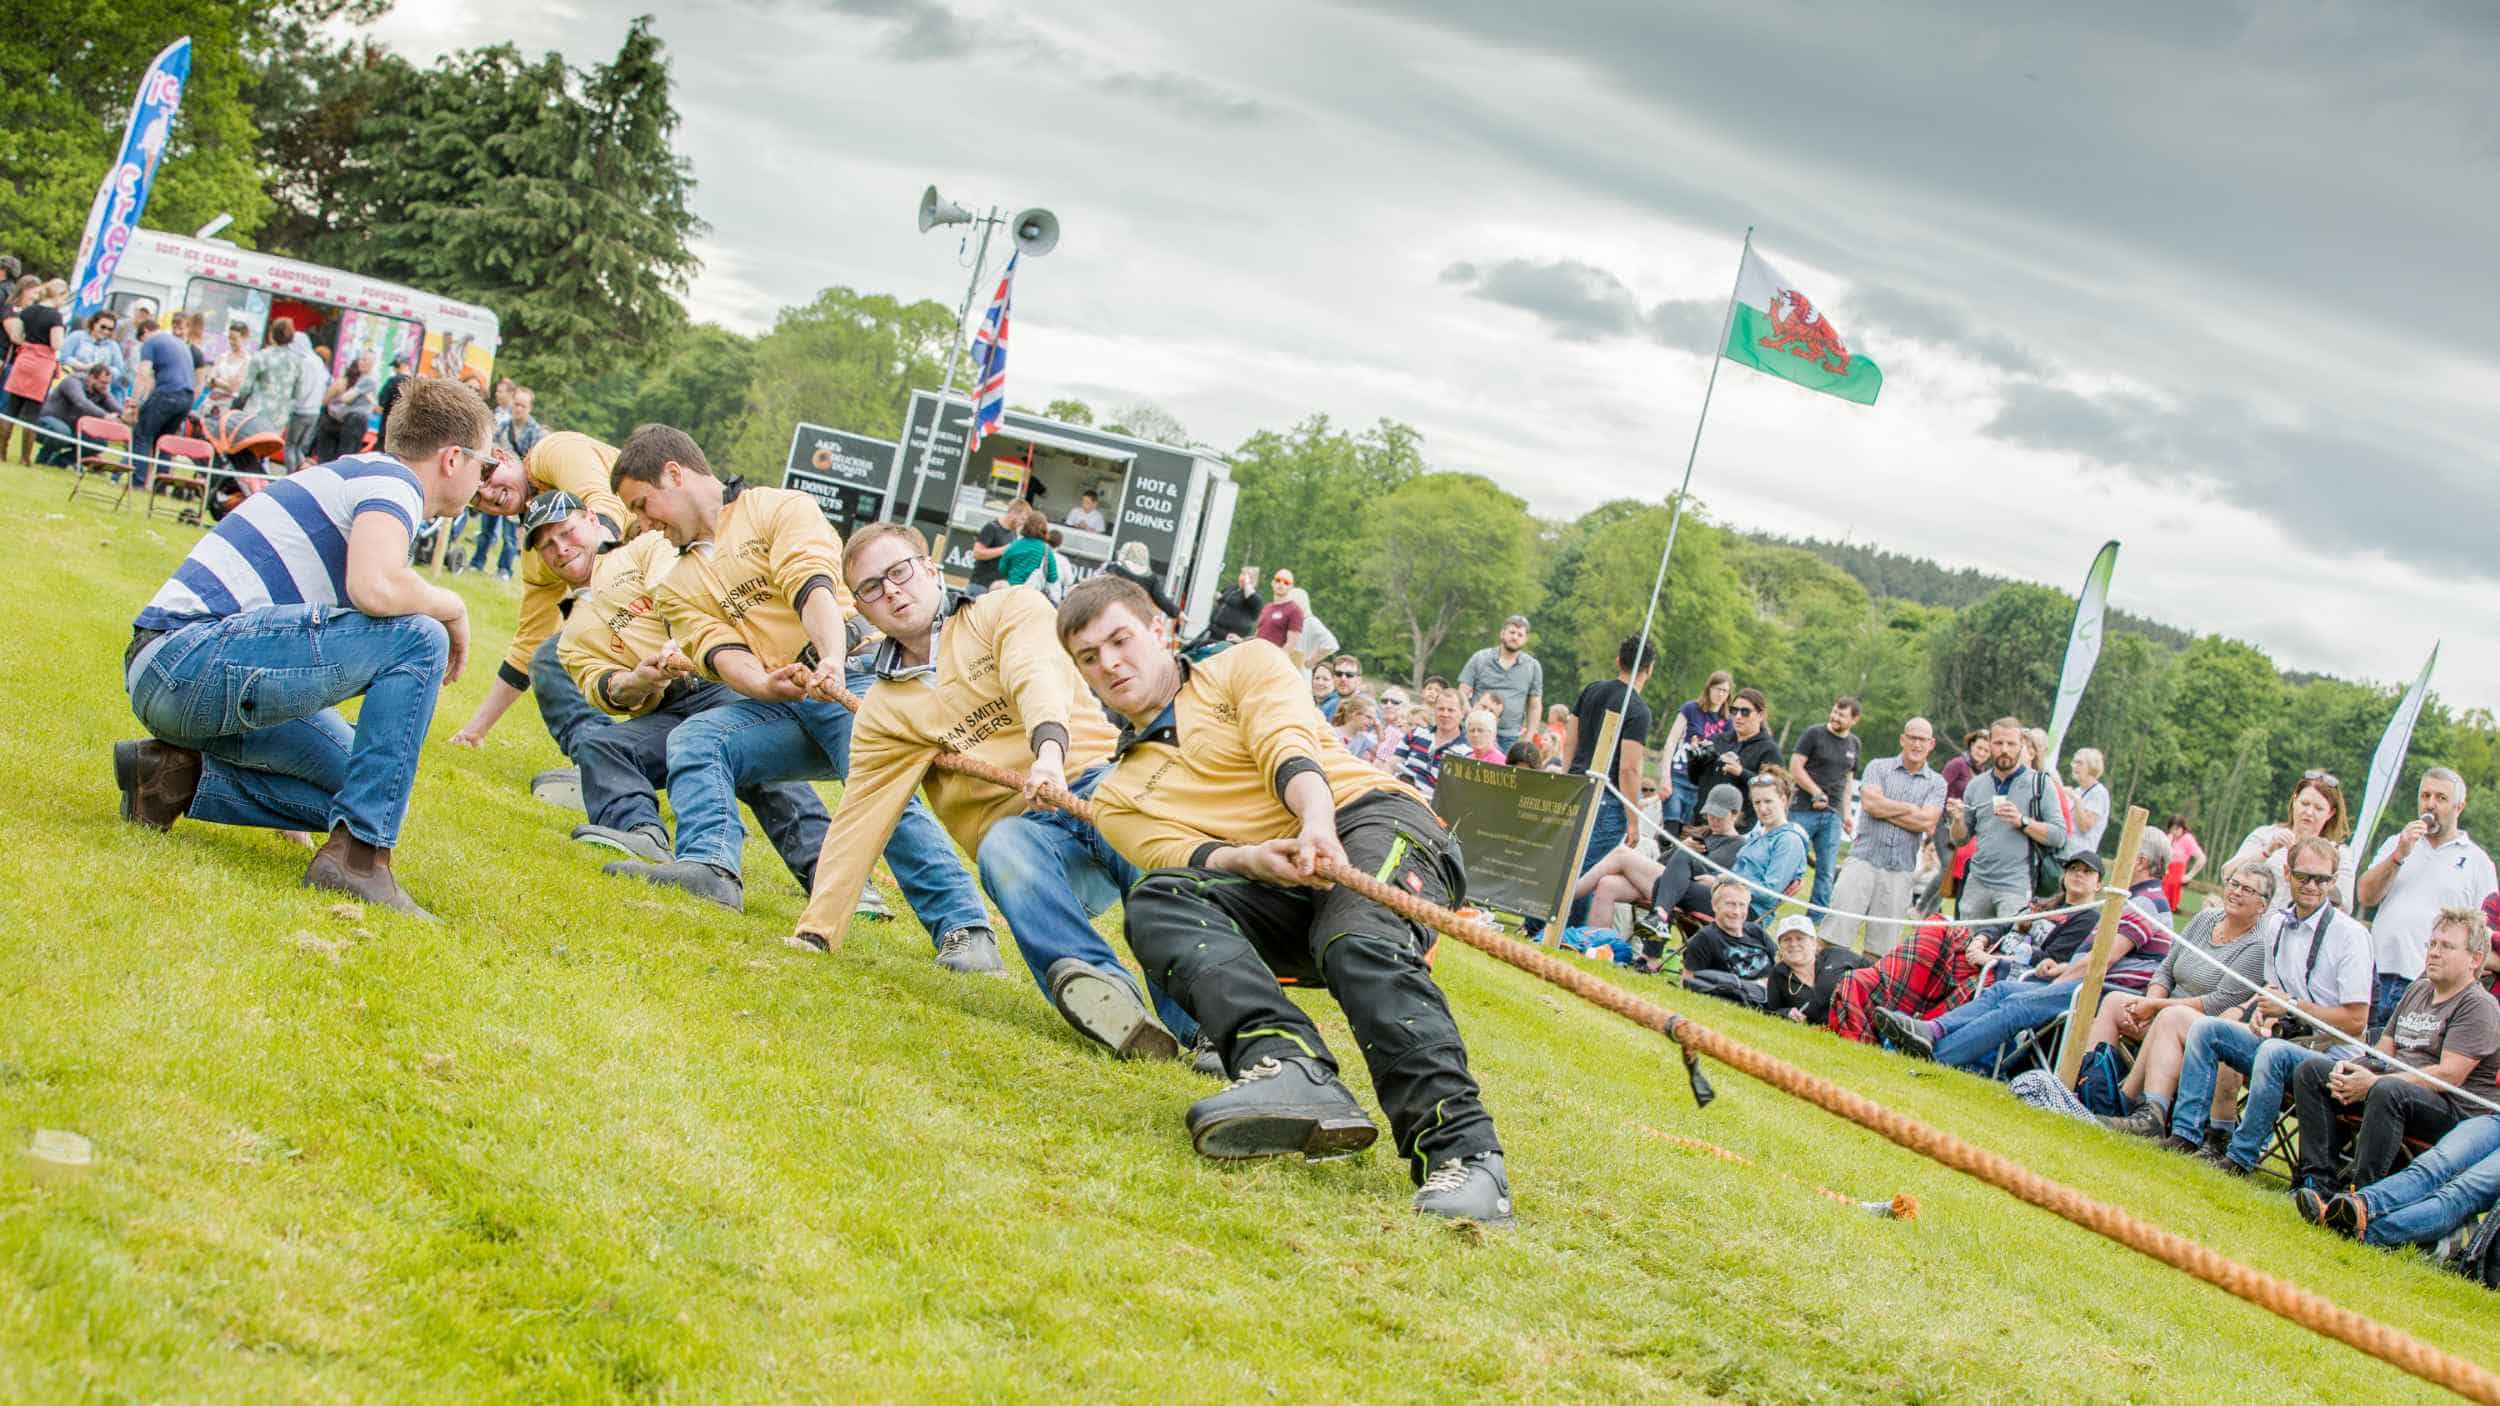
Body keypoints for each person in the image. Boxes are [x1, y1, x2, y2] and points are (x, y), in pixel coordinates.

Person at [1056, 575, 1512, 1224]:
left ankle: (1467, 1158)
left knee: (1357, 943)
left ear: (1159, 630)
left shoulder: (1245, 662)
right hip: (1277, 875)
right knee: (1158, 898)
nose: (1110, 664)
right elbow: (1192, 860)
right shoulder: (1118, 796)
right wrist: (1253, 857)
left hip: (1367, 819)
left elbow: (1285, 743)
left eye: (1119, 640)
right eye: (1089, 658)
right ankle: (1286, 1066)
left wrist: (1315, 823)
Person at [786, 524, 1205, 1057]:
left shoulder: (1008, 610)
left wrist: (1048, 755)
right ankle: (1109, 1003)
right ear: (863, 610)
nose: (891, 591)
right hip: (1028, 851)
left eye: (899, 572)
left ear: (931, 568)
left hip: (1091, 782)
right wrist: (816, 931)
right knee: (1002, 845)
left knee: (1135, 823)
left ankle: (1201, 1020)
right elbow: (859, 820)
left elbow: (1036, 676)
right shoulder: (885, 712)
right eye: (871, 587)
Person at [599, 427, 996, 965]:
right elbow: (719, 650)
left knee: (875, 781)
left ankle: (965, 930)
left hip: (852, 676)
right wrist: (762, 684)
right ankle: (709, 868)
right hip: (778, 700)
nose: (643, 525)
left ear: (675, 473)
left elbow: (811, 586)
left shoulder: (779, 508)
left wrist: (829, 656)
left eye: (643, 506)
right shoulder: (675, 579)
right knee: (697, 738)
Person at [113, 378, 492, 916]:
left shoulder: (357, 478)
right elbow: (375, 587)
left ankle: (170, 778)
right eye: (486, 465)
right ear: (453, 458)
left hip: (176, 671)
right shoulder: (393, 480)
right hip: (186, 658)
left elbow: (312, 644)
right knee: (421, 635)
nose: (485, 480)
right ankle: (358, 861)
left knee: (364, 790)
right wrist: (450, 606)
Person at [534, 491, 843, 899]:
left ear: (592, 521)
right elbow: (600, 688)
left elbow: (674, 582)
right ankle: (641, 834)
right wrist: (638, 681)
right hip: (664, 709)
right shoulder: (570, 636)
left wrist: (679, 640)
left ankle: (831, 878)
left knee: (755, 764)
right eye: (547, 546)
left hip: (717, 679)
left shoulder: (642, 550)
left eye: (566, 532)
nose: (561, 549)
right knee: (599, 746)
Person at [2159, 837, 2376, 1161]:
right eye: (2304, 876)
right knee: (2207, 1029)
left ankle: (2239, 1157)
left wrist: (2291, 1008)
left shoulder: (2351, 935)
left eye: (2323, 879)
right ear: (2288, 873)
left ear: (2333, 881)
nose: (2313, 886)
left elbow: (2357, 1022)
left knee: (2273, 1052)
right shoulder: (2276, 925)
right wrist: (2264, 1014)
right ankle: (2185, 1136)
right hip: (2284, 1041)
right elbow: (2272, 993)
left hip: (2332, 1059)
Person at [1878, 849, 2168, 1077]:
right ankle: (1932, 1030)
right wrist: (2060, 968)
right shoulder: (2059, 904)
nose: (2118, 862)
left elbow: (2102, 961)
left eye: (2088, 871)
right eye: (2073, 869)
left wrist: (2051, 980)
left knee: (2018, 1002)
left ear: (2139, 861)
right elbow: (2009, 929)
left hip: (2099, 991)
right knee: (2002, 990)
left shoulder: (2142, 904)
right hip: (2072, 979)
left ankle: (1935, 1055)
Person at [2280, 908, 2500, 1190]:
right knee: (2312, 1071)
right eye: (2432, 944)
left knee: (2388, 1092)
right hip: (2391, 1088)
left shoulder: (2478, 1005)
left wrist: (2373, 1082)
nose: (2434, 952)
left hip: (2450, 1110)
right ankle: (2317, 1182)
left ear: (2475, 959)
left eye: (2447, 946)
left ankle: (2362, 1197)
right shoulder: (2419, 990)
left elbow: (2448, 1076)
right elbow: (2382, 1054)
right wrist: (2352, 1070)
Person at [443, 433, 629, 764]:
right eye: (475, 499)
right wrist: (476, 730)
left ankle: (608, 765)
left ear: (502, 457)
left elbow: (604, 504)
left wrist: (598, 580)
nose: (486, 495)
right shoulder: (539, 555)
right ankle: (602, 762)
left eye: (485, 478)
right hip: (652, 601)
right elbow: (529, 645)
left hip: (708, 558)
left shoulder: (553, 452)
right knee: (550, 657)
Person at [2091, 861, 2277, 1135]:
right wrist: (2148, 1004)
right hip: (2162, 1007)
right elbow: (2166, 969)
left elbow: (2218, 1002)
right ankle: (2091, 1086)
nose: (2236, 892)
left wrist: (2155, 1007)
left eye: (2247, 889)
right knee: (2113, 1002)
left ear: (2262, 905)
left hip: (2205, 1027)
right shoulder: (2204, 919)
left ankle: (2143, 1111)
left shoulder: (2258, 945)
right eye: (2234, 884)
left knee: (2169, 1017)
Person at [2358, 768, 2498, 1041]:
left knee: (2401, 1064)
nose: (2430, 804)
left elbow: (2484, 936)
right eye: (2425, 795)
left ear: (2459, 806)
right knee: (2365, 1054)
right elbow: (2365, 895)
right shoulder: (2396, 843)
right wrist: (2399, 854)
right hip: (2376, 972)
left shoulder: (2478, 862)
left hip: (2429, 984)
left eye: (2441, 797)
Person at [1821, 717, 1946, 956]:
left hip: (1900, 870)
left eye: (1922, 740)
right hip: (1862, 860)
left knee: (1880, 950)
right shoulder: (1878, 767)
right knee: (1833, 936)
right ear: (1902, 739)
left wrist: (1886, 807)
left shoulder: (1937, 784)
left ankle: (1862, 992)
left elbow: (1928, 822)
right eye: (1912, 737)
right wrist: (1911, 808)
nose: (1917, 744)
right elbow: (1871, 805)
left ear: (1931, 744)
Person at [1557, 636, 1655, 930]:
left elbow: (1570, 740)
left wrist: (1566, 776)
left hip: (1576, 784)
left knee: (1563, 860)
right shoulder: (1638, 709)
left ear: (1618, 661)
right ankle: (1567, 931)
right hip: (1607, 797)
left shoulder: (1591, 690)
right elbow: (1628, 769)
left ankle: (1540, 924)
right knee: (1588, 870)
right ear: (1649, 670)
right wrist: (1634, 820)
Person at [2308, 1111, 2500, 1251]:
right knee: (2430, 1165)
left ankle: (2364, 1232)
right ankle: (2360, 1204)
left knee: (2460, 1192)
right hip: (2495, 1119)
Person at [1945, 717, 2066, 927]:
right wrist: (1956, 820)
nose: (2004, 749)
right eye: (1999, 743)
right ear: (1990, 744)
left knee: (2006, 951)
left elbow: (2058, 836)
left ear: (2022, 745)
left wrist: (2022, 821)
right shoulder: (1976, 785)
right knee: (1964, 951)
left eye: (2011, 744)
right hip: (1977, 882)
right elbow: (1960, 839)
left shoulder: (2041, 784)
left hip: (2016, 886)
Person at [2224, 770, 2357, 914]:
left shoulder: (2339, 853)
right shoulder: (2265, 835)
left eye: (2318, 808)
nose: (2309, 812)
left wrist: (2320, 871)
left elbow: (2345, 907)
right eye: (2305, 803)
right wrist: (2267, 851)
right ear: (2294, 801)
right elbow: (2227, 873)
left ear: (2330, 813)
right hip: (2250, 927)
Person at [1787, 696, 1864, 911]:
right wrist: (1815, 792)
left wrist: (1847, 814)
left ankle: (1816, 919)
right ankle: (1770, 905)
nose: (1835, 717)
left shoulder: (1854, 744)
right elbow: (1795, 767)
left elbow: (1848, 781)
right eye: (1834, 712)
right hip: (1803, 809)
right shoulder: (1814, 734)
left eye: (1842, 714)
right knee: (1790, 863)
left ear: (1854, 719)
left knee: (1826, 871)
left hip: (1833, 815)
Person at [1685, 688, 1782, 833]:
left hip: (1738, 828)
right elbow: (1695, 779)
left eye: (1745, 712)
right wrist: (1694, 757)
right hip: (1702, 820)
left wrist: (1741, 772)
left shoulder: (1769, 750)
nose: (1737, 716)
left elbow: (1774, 790)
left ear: (1760, 715)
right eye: (1734, 710)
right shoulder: (1717, 739)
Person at [1729, 771, 1810, 926]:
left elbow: (1769, 894)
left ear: (1783, 800)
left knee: (1685, 890)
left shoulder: (1789, 840)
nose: (1762, 808)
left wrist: (1728, 883)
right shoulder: (1757, 834)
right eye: (1757, 803)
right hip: (1728, 897)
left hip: (1747, 910)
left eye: (1768, 801)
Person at [1681, 877, 1777, 1004]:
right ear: (1715, 906)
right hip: (1747, 995)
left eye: (1742, 905)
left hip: (1776, 989)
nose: (1737, 912)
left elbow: (1780, 961)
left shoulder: (1755, 931)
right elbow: (1687, 981)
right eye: (1730, 904)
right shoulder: (1705, 938)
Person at [128, 313, 196, 488]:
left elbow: (143, 374)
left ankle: (137, 481)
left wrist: (134, 401)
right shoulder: (179, 344)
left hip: (168, 393)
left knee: (143, 435)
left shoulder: (151, 342)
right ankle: (161, 485)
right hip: (186, 398)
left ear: (145, 332)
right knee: (165, 441)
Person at [4, 275, 65, 466]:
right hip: (42, 365)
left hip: (23, 360)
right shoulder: (55, 316)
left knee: (10, 410)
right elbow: (56, 343)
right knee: (32, 413)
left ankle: (1, 452)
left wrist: (29, 346)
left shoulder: (28, 310)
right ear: (59, 295)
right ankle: (25, 458)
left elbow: (15, 336)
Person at [1458, 614, 1543, 752]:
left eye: (1520, 635)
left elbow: (1534, 706)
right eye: (1512, 632)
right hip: (1475, 730)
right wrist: (1470, 715)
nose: (1515, 637)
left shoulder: (1533, 666)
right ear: (1502, 633)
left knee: (1498, 772)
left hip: (1507, 737)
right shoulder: (1480, 658)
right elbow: (1462, 692)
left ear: (1525, 639)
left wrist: (1529, 737)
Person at [1658, 670, 1733, 827]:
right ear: (1709, 688)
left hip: (1701, 785)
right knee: (1670, 825)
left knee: (1687, 832)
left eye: (1724, 691)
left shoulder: (1728, 722)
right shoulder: (1691, 708)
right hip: (1678, 776)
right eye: (1717, 689)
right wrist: (1665, 777)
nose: (1720, 694)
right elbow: (1671, 742)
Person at [1768, 917, 1872, 1026]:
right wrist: (1787, 1013)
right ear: (1780, 946)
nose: (1793, 944)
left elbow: (1875, 973)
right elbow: (1771, 1010)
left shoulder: (1836, 955)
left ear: (1814, 943)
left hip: (1865, 1016)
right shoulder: (1778, 974)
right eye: (1786, 939)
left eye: (1800, 938)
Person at [33, 363, 119, 467]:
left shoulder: (101, 390)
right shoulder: (72, 381)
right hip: (46, 422)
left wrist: (126, 415)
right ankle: (42, 460)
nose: (106, 387)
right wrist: (105, 416)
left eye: (108, 383)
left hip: (71, 430)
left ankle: (59, 462)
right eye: (103, 382)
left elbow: (115, 407)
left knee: (100, 443)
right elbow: (81, 402)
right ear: (91, 378)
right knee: (62, 431)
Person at [1393, 689, 1470, 801]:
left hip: (1429, 806)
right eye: (1440, 709)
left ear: (1462, 713)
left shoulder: (1467, 752)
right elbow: (1391, 765)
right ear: (1434, 710)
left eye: (1451, 710)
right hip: (1398, 793)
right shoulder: (1415, 733)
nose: (1444, 714)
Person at [231, 318, 306, 430]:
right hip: (279, 420)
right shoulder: (298, 362)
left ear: (272, 334)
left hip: (255, 413)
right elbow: (298, 395)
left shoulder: (261, 356)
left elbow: (245, 389)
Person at [313, 349, 379, 463]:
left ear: (372, 363)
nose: (361, 362)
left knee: (344, 457)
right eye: (360, 359)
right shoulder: (364, 379)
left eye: (365, 360)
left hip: (355, 421)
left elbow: (346, 398)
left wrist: (337, 400)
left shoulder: (369, 380)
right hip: (347, 421)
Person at [1105, 541, 1181, 629]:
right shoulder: (1150, 577)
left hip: (1112, 611)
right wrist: (1178, 613)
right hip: (1134, 616)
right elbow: (1161, 599)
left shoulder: (1114, 568)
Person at [964, 500, 1025, 598]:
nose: (1022, 523)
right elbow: (977, 553)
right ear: (1013, 512)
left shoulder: (1013, 533)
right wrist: (1005, 549)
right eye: (1022, 519)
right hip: (981, 586)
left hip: (997, 590)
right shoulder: (991, 527)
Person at [998, 510, 1063, 599]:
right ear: (1044, 528)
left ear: (1025, 526)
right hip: (1032, 597)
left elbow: (1002, 569)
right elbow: (1052, 577)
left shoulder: (1014, 545)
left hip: (1011, 593)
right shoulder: (1046, 550)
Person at [286, 336, 328, 470]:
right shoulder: (317, 361)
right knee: (299, 448)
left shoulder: (306, 362)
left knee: (290, 446)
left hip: (301, 410)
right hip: (314, 411)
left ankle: (290, 475)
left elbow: (303, 389)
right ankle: (303, 473)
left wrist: (293, 403)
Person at [2067, 749, 2112, 854]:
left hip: (2079, 858)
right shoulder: (2078, 790)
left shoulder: (2099, 793)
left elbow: (2085, 826)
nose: (2074, 766)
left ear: (2092, 767)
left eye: (2080, 763)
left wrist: (2077, 800)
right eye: (2074, 762)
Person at [1252, 568, 1305, 656]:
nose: (1281, 584)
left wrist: (1275, 661)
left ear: (1291, 587)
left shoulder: (1295, 610)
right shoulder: (1267, 607)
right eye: (1278, 580)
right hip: (1256, 656)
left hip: (1273, 662)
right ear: (1272, 583)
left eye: (1286, 582)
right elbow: (1257, 634)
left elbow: (1291, 645)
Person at [1205, 565, 1262, 643]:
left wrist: (1247, 583)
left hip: (1229, 639)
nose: (1244, 578)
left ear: (1254, 580)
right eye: (1242, 574)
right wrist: (1219, 599)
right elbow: (1221, 602)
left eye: (1248, 576)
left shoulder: (1255, 597)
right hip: (1212, 631)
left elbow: (1251, 596)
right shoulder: (1232, 588)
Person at [2162, 814, 2206, 912]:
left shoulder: (2188, 839)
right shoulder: (2169, 837)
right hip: (2165, 872)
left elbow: (2201, 858)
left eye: (2177, 829)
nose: (2174, 832)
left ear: (2182, 828)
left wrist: (2189, 875)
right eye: (2172, 829)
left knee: (2167, 905)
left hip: (2176, 874)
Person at [1290, 588, 1338, 669]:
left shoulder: (1311, 622)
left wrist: (1310, 662)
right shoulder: (1294, 623)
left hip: (1301, 675)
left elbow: (1331, 644)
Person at [1941, 729, 1989, 806]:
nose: (1981, 753)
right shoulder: (1957, 763)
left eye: (1986, 751)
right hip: (1948, 815)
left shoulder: (1986, 774)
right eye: (1979, 748)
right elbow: (1937, 790)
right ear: (1972, 745)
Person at [210, 322, 253, 396]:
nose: (231, 341)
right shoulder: (223, 356)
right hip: (210, 402)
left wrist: (216, 381)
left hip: (229, 404)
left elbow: (234, 387)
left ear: (244, 338)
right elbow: (209, 380)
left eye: (234, 339)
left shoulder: (248, 360)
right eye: (229, 338)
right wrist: (225, 384)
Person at [1320, 654, 1363, 723]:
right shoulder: (1328, 706)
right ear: (1333, 677)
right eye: (1338, 674)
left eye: (1349, 675)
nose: (1343, 679)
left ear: (1358, 680)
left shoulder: (1367, 707)